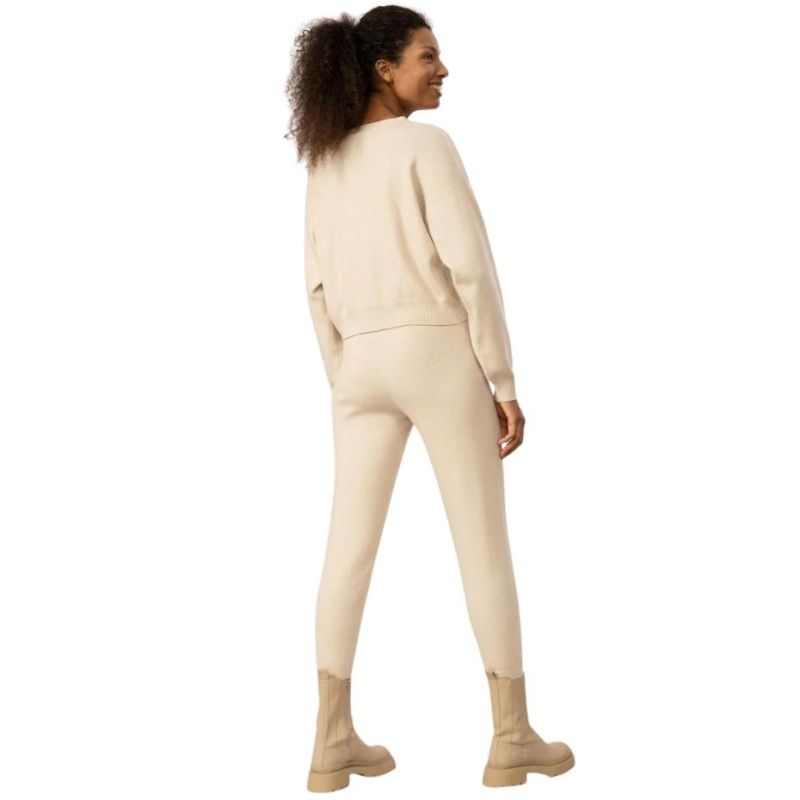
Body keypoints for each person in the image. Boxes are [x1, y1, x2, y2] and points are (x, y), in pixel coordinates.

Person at [285, 6, 574, 791]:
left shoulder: (325, 162)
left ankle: (330, 739)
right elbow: (470, 268)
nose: (442, 70)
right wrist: (502, 381)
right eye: (428, 55)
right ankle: (511, 736)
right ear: (384, 69)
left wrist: (344, 372)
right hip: (437, 352)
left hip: (359, 364)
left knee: (347, 548)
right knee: (482, 541)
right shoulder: (427, 147)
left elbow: (314, 285)